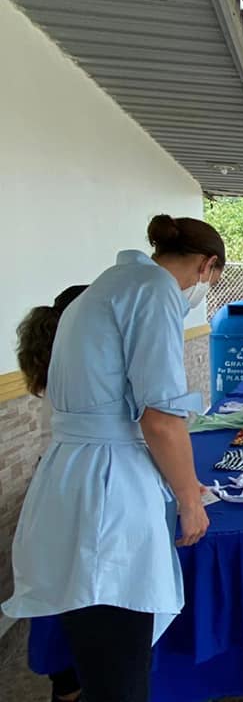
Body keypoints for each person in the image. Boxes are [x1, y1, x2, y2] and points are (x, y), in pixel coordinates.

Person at [2, 214, 223, 702]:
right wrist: (190, 500)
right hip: (107, 495)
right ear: (207, 266)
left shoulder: (108, 286)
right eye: (211, 278)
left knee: (101, 659)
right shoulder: (153, 290)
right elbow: (159, 418)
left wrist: (182, 483)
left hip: (75, 481)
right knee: (119, 673)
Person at [15, 284, 89, 702]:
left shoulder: (62, 359)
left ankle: (69, 683)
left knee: (62, 586)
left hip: (58, 482)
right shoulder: (76, 365)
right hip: (72, 486)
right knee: (73, 588)